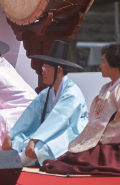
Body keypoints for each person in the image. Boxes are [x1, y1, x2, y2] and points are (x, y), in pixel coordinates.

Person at [2, 40, 88, 166]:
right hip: (48, 132)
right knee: (17, 141)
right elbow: (30, 114)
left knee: (39, 149)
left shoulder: (72, 94)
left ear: (59, 71)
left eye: (46, 68)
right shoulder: (47, 93)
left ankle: (14, 162)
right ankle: (18, 159)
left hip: (70, 133)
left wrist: (34, 139)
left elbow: (57, 120)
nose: (42, 72)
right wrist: (11, 135)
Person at [41, 44, 120, 176]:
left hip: (113, 141)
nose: (100, 66)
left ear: (115, 65)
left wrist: (102, 137)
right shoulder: (107, 87)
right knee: (73, 157)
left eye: (103, 62)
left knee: (81, 160)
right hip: (99, 137)